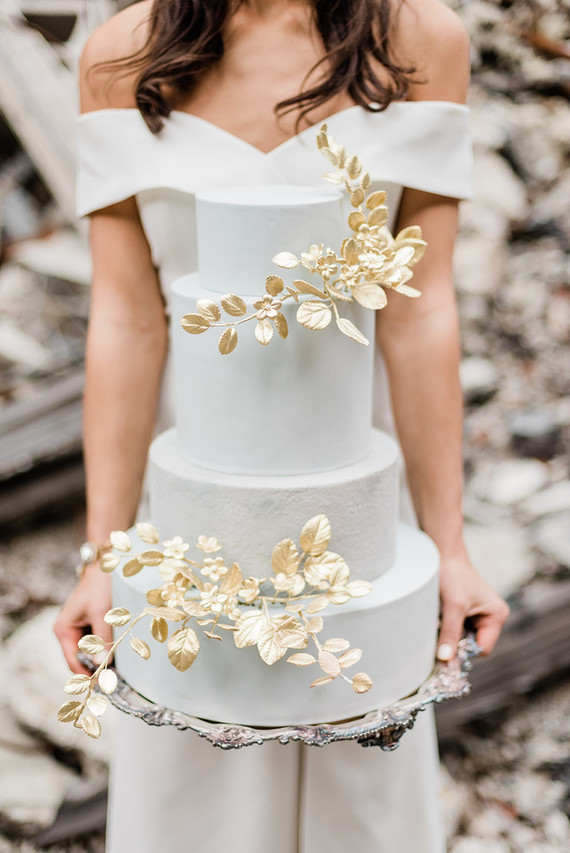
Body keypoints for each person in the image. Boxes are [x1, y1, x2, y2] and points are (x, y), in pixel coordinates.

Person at [55, 0, 510, 850]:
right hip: (193, 501)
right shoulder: (120, 56)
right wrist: (104, 550)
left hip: (359, 497)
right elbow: (127, 319)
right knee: (195, 782)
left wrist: (447, 544)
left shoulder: (421, 40)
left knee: (363, 773)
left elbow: (420, 310)